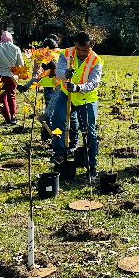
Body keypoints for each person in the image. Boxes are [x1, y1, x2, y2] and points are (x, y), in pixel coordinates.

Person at [51, 31, 103, 178]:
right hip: (66, 94)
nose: (81, 53)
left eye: (85, 50)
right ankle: (60, 153)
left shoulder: (96, 61)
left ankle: (92, 165)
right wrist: (64, 74)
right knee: (58, 120)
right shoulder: (66, 53)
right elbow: (59, 72)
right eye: (79, 49)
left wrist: (78, 88)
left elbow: (93, 83)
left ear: (91, 47)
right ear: (75, 45)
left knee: (88, 131)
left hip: (86, 99)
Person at [0, 31, 25, 125]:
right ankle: (13, 117)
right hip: (11, 76)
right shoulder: (16, 48)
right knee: (11, 95)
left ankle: (7, 119)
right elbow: (21, 64)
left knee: (1, 97)